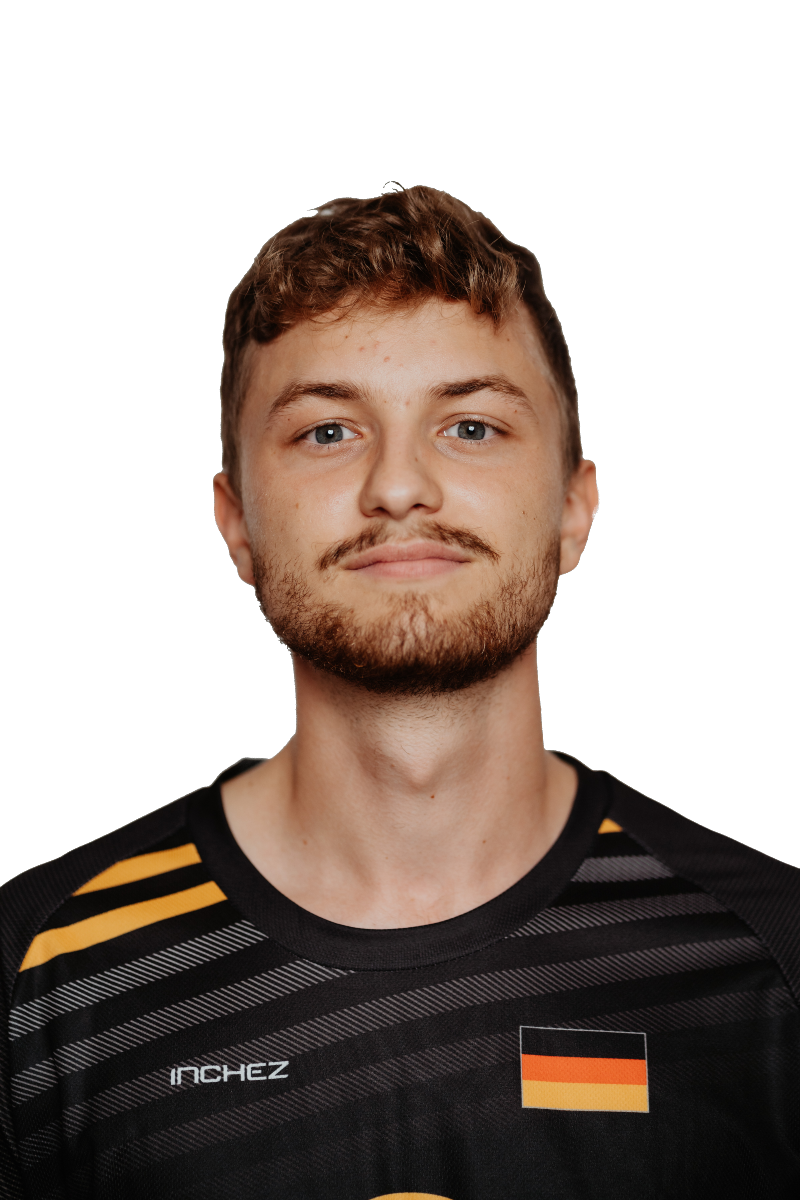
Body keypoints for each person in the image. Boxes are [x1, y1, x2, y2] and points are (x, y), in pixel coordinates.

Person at [1, 187, 797, 1200]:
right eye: (328, 432)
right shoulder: (42, 976)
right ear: (236, 524)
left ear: (573, 506)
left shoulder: (769, 955)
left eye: (469, 425)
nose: (398, 487)